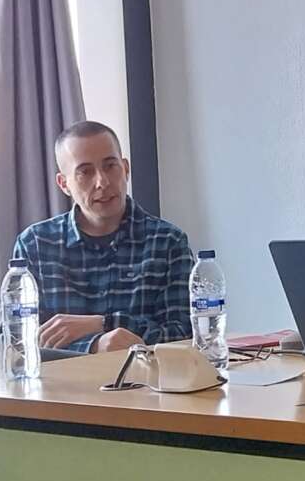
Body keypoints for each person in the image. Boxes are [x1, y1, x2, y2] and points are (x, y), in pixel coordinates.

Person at [12, 121, 193, 353]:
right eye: (85, 172)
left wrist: (105, 323)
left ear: (126, 169)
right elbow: (18, 343)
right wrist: (95, 345)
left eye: (110, 166)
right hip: (61, 388)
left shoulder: (168, 242)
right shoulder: (35, 245)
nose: (102, 182)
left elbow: (183, 337)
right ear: (64, 183)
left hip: (144, 386)